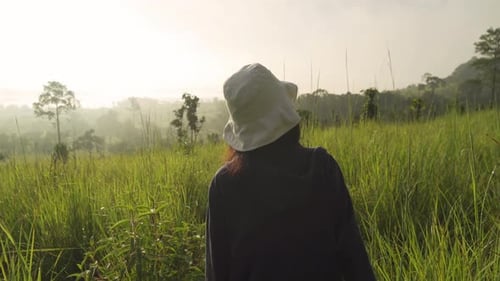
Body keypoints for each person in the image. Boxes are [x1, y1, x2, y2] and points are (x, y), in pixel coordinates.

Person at [206, 63, 376, 281]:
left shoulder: (225, 185)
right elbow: (355, 261)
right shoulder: (322, 167)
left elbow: (217, 273)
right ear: (285, 113)